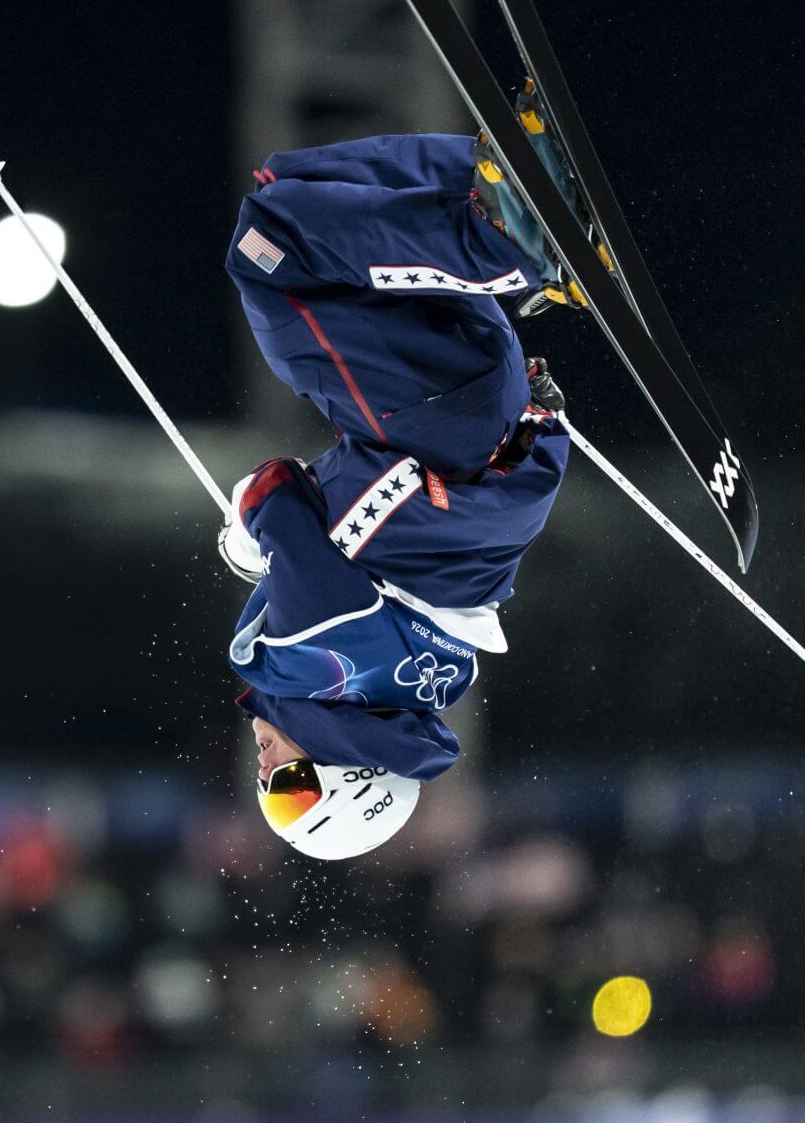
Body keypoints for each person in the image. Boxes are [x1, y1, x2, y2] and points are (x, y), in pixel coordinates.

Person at [220, 129, 574, 861]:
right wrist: (249, 531)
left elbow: (450, 541)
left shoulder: (443, 673)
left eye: (271, 794)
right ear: (344, 767)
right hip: (426, 406)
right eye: (293, 787)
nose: (266, 773)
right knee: (271, 245)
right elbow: (276, 489)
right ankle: (506, 244)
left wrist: (538, 419)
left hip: (490, 396)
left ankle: (490, 183)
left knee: (289, 184)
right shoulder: (311, 658)